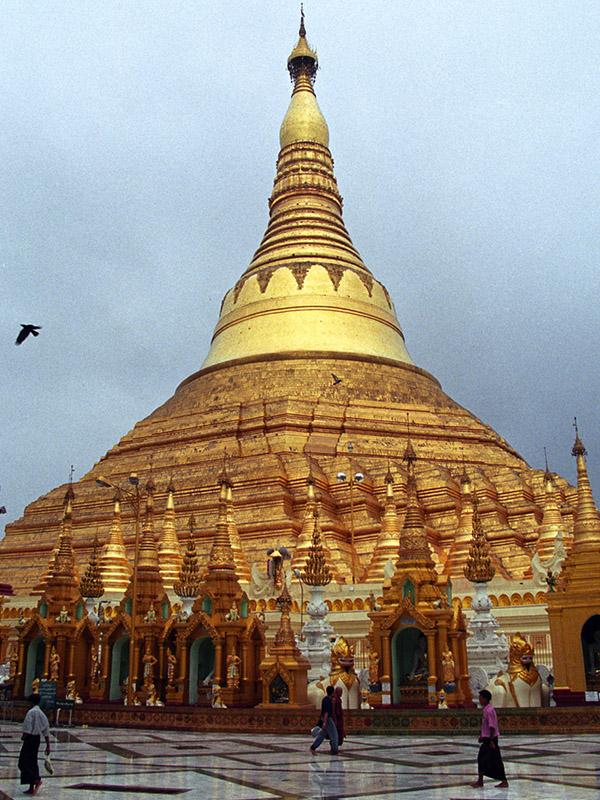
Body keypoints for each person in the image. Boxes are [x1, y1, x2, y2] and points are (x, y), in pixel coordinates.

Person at [471, 689, 508, 788]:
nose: (479, 700)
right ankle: (481, 780)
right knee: (484, 759)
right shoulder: (487, 710)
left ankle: (501, 780)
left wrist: (491, 740)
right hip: (488, 739)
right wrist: (483, 737)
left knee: (493, 760)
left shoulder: (489, 710)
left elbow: (492, 726)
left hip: (491, 740)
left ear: (485, 699)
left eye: (481, 698)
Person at [18, 694, 50, 795]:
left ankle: (36, 780)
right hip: (37, 739)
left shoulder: (31, 712)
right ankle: (31, 786)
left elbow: (27, 727)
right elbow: (46, 730)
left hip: (30, 738)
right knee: (32, 762)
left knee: (22, 762)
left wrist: (23, 737)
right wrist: (48, 745)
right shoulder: (41, 713)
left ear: (31, 702)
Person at [310, 685, 339, 756]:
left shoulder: (324, 699)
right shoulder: (328, 701)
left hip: (325, 720)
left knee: (322, 735)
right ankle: (335, 751)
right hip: (328, 720)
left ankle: (313, 748)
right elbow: (326, 712)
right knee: (334, 735)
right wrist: (325, 722)